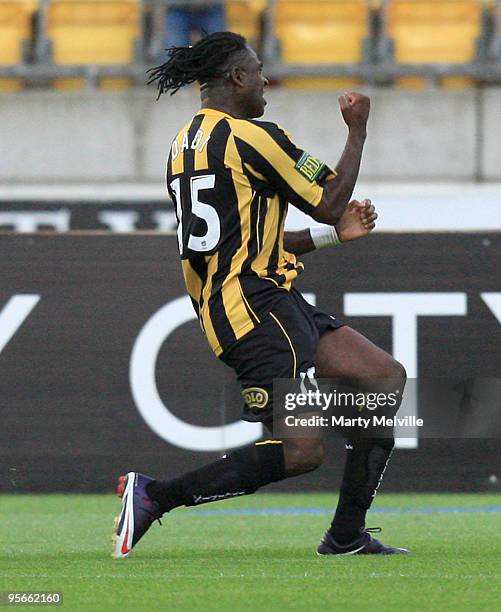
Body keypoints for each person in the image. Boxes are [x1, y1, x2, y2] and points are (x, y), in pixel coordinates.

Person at [113, 32, 409, 559]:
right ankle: (156, 495)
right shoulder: (254, 137)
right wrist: (358, 131)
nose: (265, 80)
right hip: (254, 309)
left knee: (381, 376)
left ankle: (346, 536)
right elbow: (330, 198)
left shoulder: (184, 145)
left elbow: (250, 238)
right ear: (236, 78)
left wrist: (333, 236)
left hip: (263, 300)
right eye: (257, 70)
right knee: (300, 450)